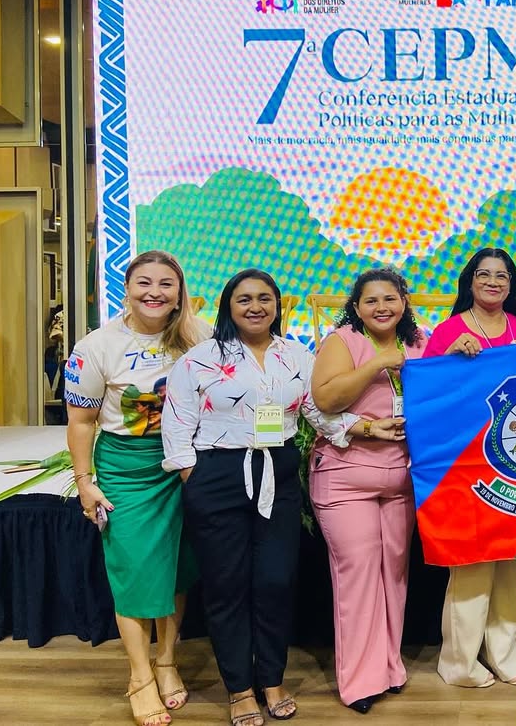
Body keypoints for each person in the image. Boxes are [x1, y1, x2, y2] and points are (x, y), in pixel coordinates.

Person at [162, 268, 352, 726]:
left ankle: (271, 678)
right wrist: (193, 474)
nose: (255, 306)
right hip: (217, 474)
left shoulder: (297, 355)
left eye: (264, 298)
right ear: (228, 306)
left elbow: (316, 412)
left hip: (278, 474)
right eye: (244, 298)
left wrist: (363, 428)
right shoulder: (199, 359)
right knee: (226, 587)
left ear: (277, 305)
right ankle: (239, 688)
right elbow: (178, 423)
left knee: (275, 581)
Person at [65, 250, 209, 726]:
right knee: (134, 571)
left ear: (179, 292)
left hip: (185, 467)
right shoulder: (96, 346)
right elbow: (81, 422)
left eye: (166, 283)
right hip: (127, 471)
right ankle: (140, 675)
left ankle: (166, 661)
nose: (154, 292)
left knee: (178, 567)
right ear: (126, 288)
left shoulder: (201, 336)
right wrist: (85, 482)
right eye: (144, 282)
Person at [309, 267, 427, 714]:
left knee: (394, 575)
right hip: (345, 477)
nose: (382, 307)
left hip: (402, 481)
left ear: (404, 303)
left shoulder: (417, 342)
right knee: (357, 574)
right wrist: (378, 363)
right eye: (371, 300)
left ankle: (389, 667)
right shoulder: (342, 342)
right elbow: (325, 400)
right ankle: (359, 681)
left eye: (390, 299)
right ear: (356, 308)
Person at [423, 248, 516, 688]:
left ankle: (505, 654)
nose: (493, 282)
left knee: (512, 561)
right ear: (470, 281)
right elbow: (428, 393)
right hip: (466, 462)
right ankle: (459, 662)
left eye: (502, 275)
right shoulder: (448, 330)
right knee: (471, 562)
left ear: (512, 284)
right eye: (484, 274)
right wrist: (450, 357)